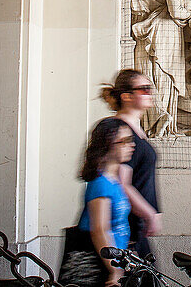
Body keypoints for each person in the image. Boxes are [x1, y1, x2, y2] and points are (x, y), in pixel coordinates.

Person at [60, 118, 136, 287]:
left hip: (114, 260)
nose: (131, 145)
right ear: (108, 145)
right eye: (124, 141)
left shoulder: (114, 180)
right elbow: (99, 230)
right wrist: (114, 270)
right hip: (100, 266)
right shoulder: (100, 184)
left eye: (131, 140)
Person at [101, 70, 163, 260]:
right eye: (144, 89)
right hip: (123, 229)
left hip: (135, 226)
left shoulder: (134, 128)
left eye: (149, 88)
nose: (149, 93)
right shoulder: (119, 130)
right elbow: (120, 182)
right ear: (126, 96)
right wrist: (149, 214)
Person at [131, 0, 190, 136]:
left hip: (146, 28)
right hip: (166, 30)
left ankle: (155, 121)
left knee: (147, 74)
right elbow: (177, 13)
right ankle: (161, 120)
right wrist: (189, 11)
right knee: (163, 75)